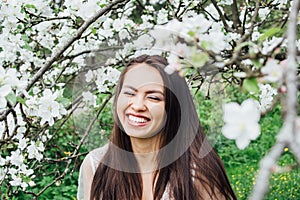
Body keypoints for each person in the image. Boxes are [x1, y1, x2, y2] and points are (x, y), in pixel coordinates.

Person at [77, 54, 237, 200]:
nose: (137, 105)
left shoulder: (197, 174)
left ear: (174, 108)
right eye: (129, 93)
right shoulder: (96, 164)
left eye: (153, 97)